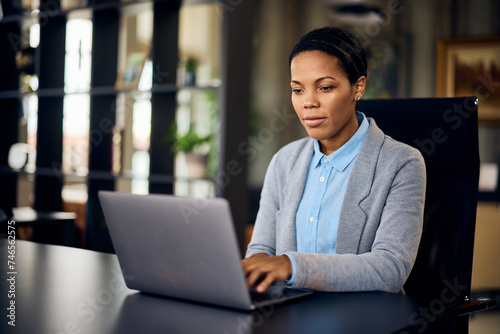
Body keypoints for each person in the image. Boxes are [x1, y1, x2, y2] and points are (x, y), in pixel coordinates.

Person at [242, 27, 426, 294]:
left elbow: (391, 269)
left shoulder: (402, 163)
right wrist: (255, 264)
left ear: (358, 87)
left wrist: (292, 266)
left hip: (359, 319)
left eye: (325, 87)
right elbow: (262, 249)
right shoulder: (284, 161)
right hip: (286, 314)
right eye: (298, 90)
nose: (308, 102)